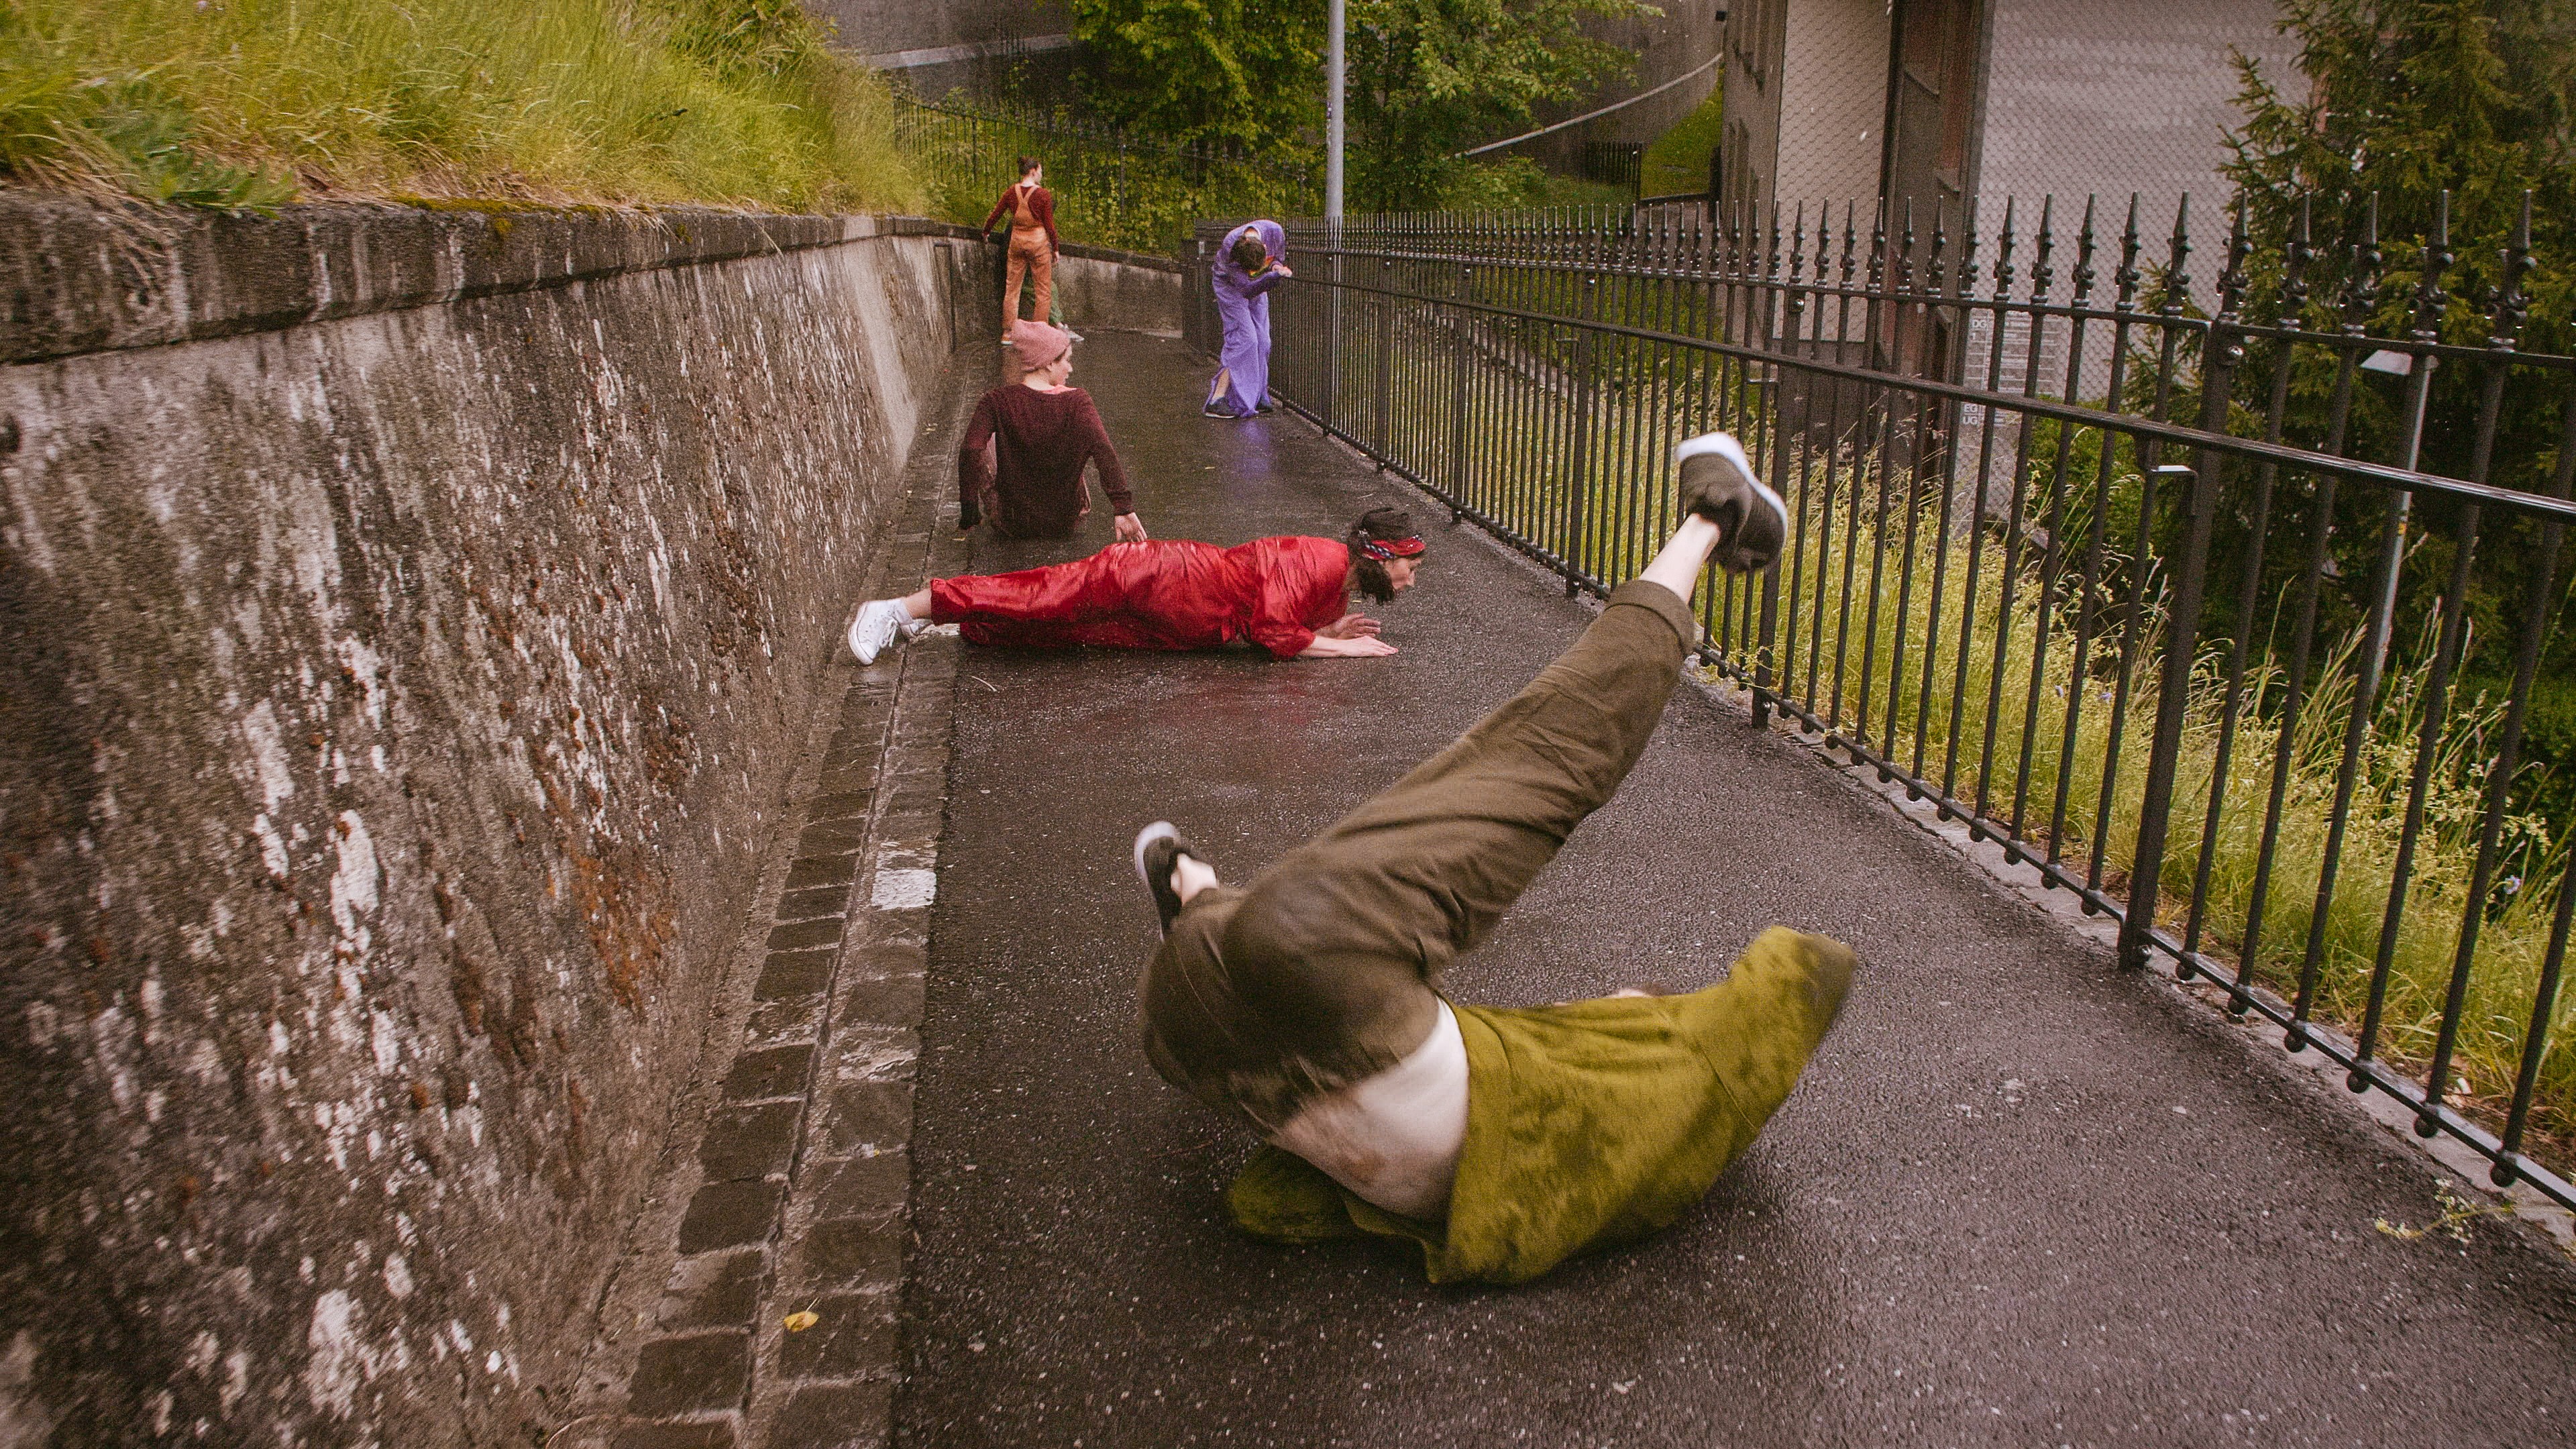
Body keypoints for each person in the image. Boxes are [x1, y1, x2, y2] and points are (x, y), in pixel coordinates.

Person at [1128, 431, 1854, 1286]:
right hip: (1193, 1036)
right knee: (1273, 933)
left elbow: (1803, 974)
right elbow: (1274, 1203)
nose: (1621, 996)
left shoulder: (1657, 1085)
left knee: (1540, 761)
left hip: (1316, 986)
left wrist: (1727, 996)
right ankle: (1193, 894)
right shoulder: (1599, 1112)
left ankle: (1710, 518)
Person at [845, 507, 1424, 665]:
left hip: (1175, 621)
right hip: (1156, 575)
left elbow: (1276, 623)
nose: (1410, 579)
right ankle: (897, 607)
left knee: (1056, 633)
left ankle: (945, 619)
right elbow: (1272, 634)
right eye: (1411, 567)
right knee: (1041, 595)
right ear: (1383, 557)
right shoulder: (1320, 560)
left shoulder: (1338, 583)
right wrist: (1339, 646)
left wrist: (1327, 629)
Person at [961, 320, 1146, 543]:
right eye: (1067, 360)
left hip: (1012, 523)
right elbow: (1102, 449)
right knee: (1080, 435)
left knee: (985, 441)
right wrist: (1123, 508)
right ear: (1048, 363)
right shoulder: (1078, 400)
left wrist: (969, 507)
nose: (1070, 368)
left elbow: (971, 449)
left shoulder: (996, 400)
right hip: (1065, 521)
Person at [1205, 221, 1290, 419]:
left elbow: (1277, 258)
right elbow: (1247, 288)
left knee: (1263, 341)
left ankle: (1258, 395)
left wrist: (1277, 268)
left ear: (1264, 247)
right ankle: (1216, 400)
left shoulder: (1275, 232)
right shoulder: (1231, 246)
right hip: (1230, 286)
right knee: (1245, 339)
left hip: (1258, 283)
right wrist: (1271, 278)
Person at [981, 156, 1060, 338]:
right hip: (1038, 244)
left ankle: (1007, 333)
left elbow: (996, 214)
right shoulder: (1043, 195)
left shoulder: (1012, 192)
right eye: (1040, 170)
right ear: (1033, 171)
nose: (1041, 174)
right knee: (1043, 290)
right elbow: (1050, 226)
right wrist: (1055, 248)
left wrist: (986, 231)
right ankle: (1039, 334)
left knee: (1012, 289)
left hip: (1016, 243)